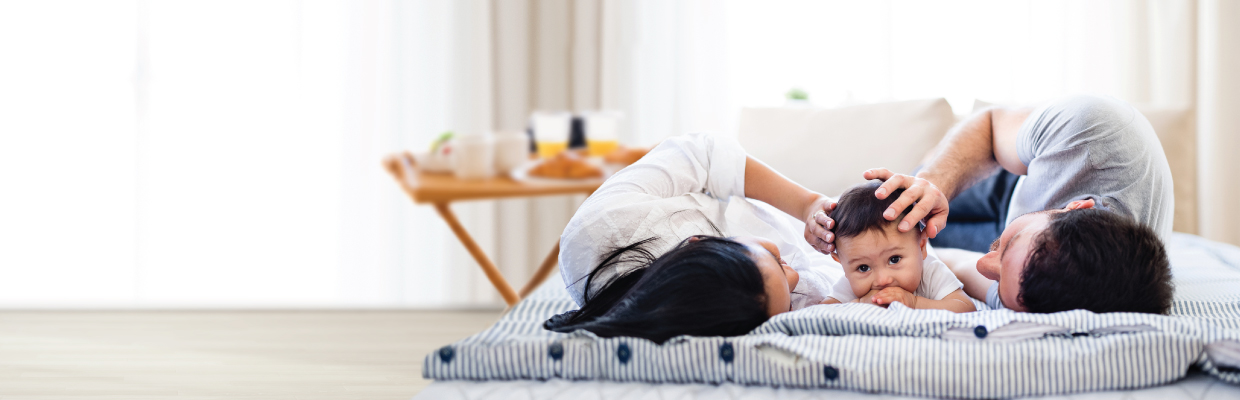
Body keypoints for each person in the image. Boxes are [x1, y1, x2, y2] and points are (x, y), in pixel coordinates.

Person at [854, 95, 1174, 314]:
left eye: (999, 282)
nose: (985, 265)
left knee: (905, 249)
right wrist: (934, 182)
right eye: (1007, 250)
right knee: (887, 211)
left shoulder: (1046, 291)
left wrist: (909, 291)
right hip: (1014, 172)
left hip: (1021, 231)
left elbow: (960, 265)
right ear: (1077, 208)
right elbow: (991, 123)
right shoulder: (1086, 132)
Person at [545, 132, 840, 344]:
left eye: (775, 259)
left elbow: (705, 156)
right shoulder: (724, 317)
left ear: (699, 240)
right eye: (788, 306)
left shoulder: (606, 224)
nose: (794, 279)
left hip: (792, 213)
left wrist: (808, 204)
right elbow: (826, 282)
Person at [821, 181, 974, 313]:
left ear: (921, 247)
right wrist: (859, 306)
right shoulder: (850, 285)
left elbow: (966, 308)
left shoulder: (930, 272)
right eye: (863, 268)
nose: (882, 280)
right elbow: (818, 314)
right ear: (841, 263)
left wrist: (915, 303)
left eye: (894, 259)